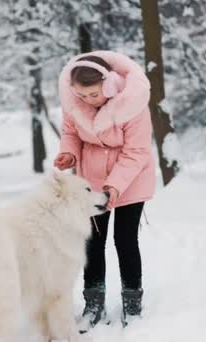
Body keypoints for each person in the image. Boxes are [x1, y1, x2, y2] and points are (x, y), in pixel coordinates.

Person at [53, 50, 155, 330]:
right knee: (92, 242)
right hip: (92, 181)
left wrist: (115, 186)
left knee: (125, 240)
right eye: (82, 96)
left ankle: (132, 302)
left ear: (109, 85)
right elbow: (71, 134)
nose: (87, 101)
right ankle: (93, 303)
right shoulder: (75, 104)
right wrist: (69, 154)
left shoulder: (133, 106)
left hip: (131, 179)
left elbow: (137, 152)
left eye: (93, 95)